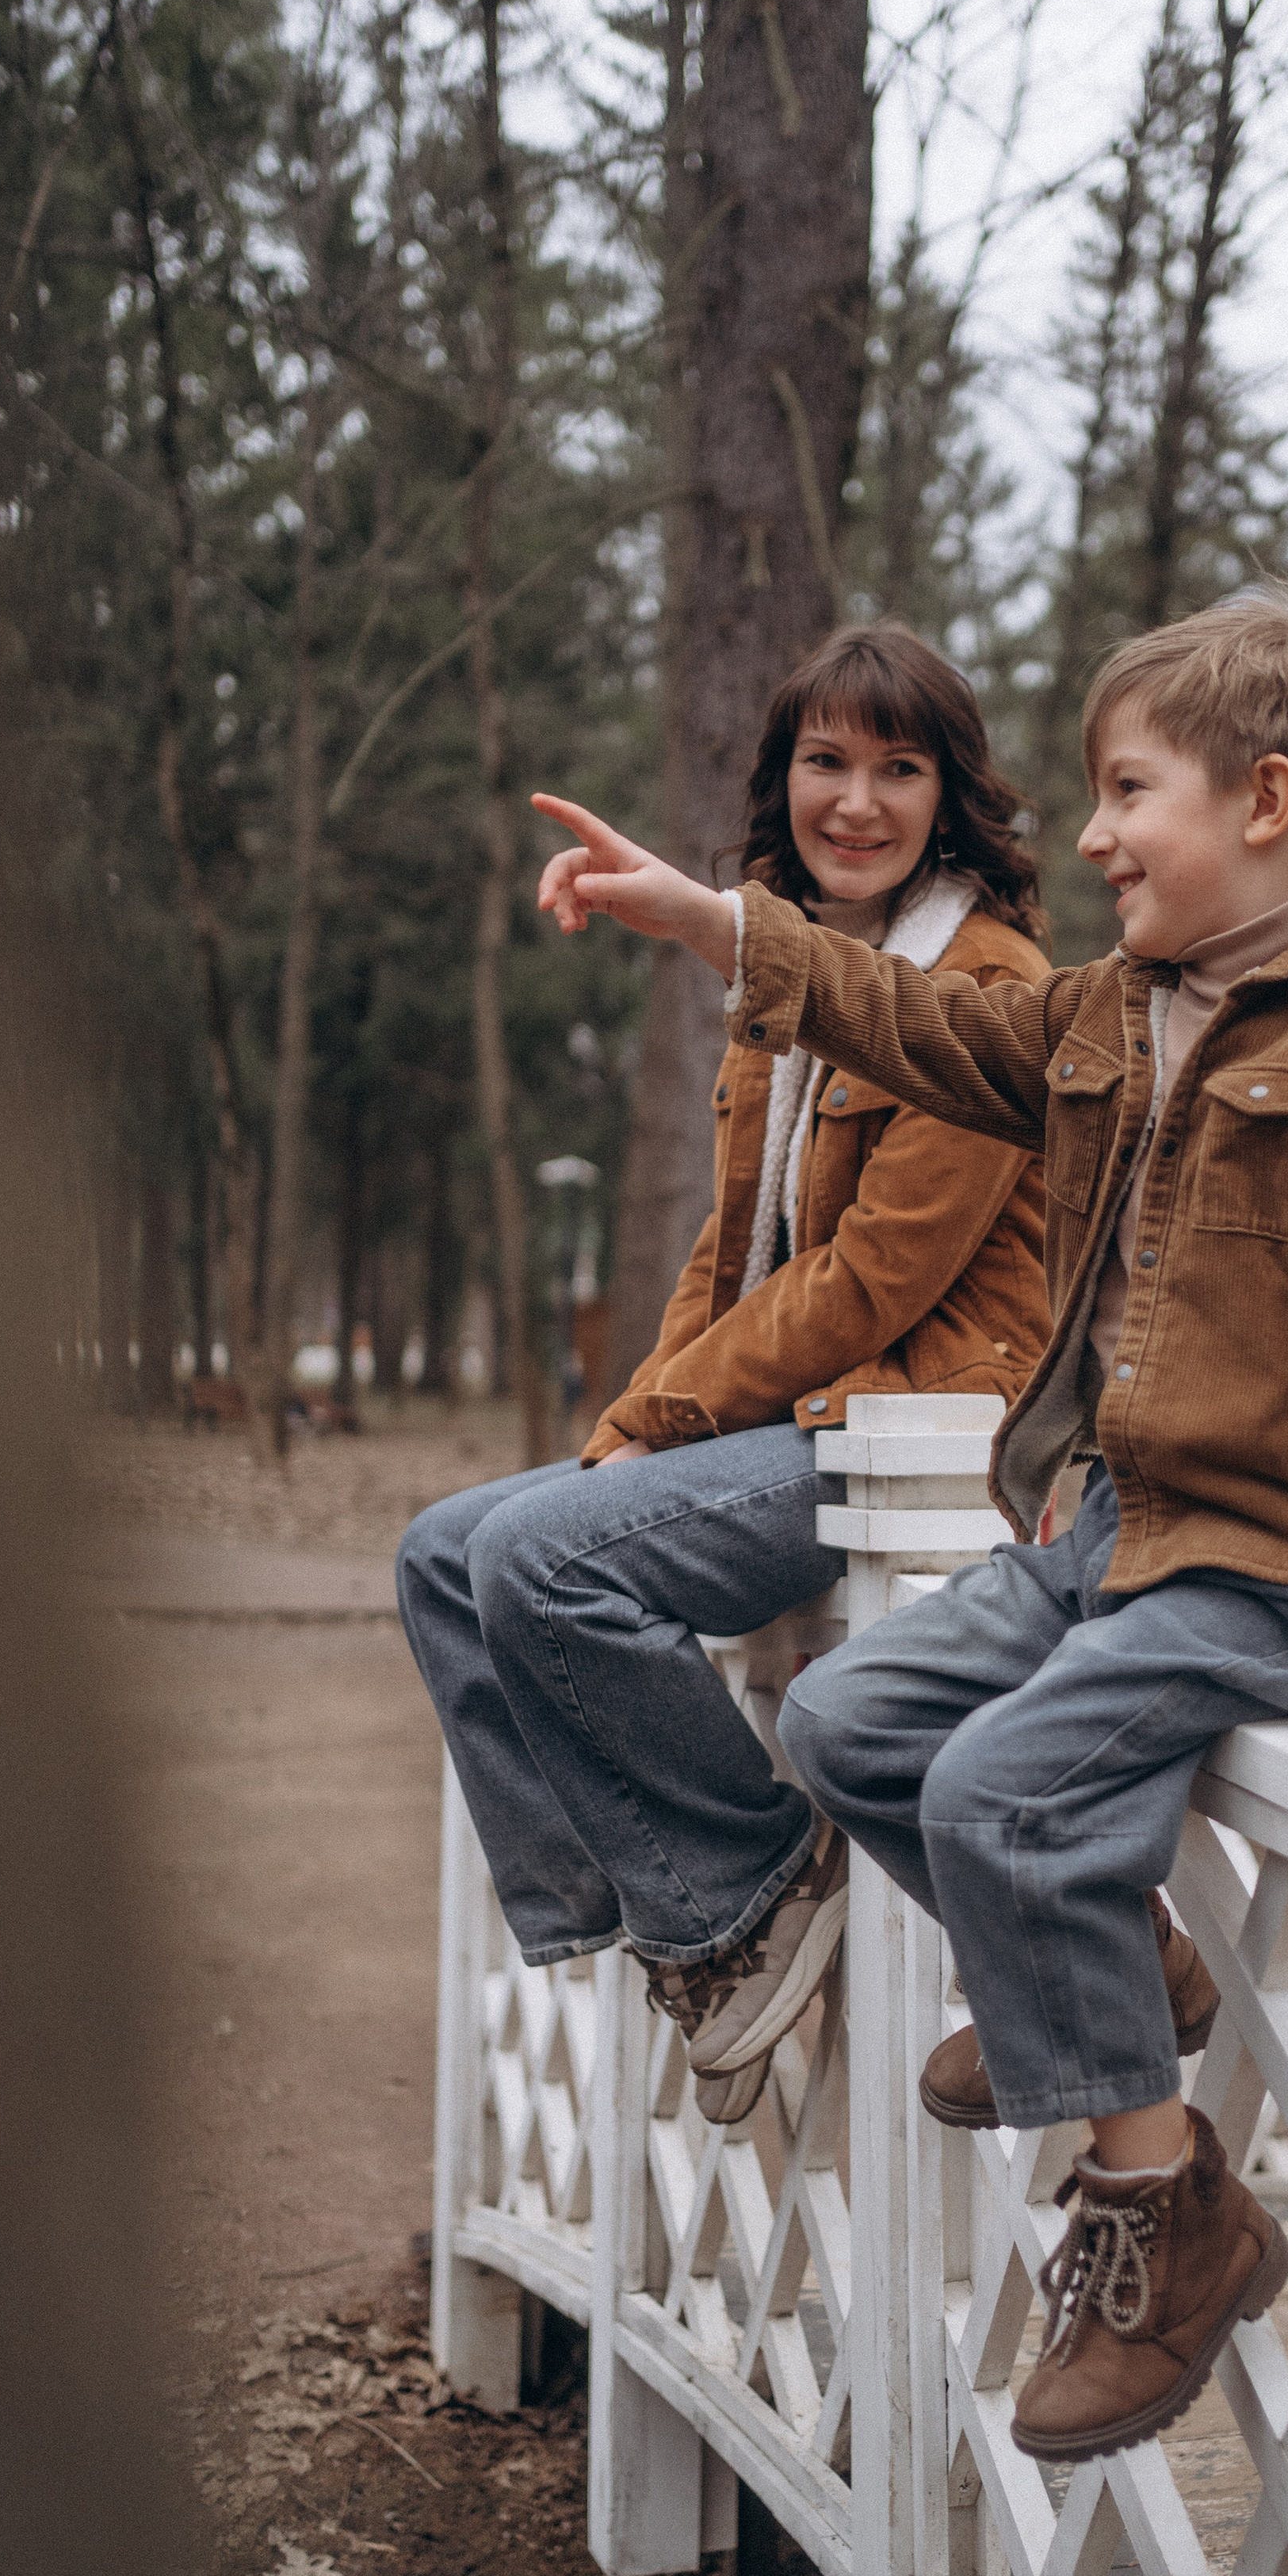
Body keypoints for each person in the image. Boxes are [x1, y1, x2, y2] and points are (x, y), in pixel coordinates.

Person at [532, 585, 1288, 2456]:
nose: (1095, 833)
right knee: (845, 1723)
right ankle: (1106, 1966)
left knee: (995, 1799)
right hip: (1105, 1530)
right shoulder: (1105, 1020)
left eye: (1129, 795)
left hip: (1271, 1560)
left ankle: (1161, 2215)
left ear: (1262, 802)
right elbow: (905, 1019)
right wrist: (712, 920)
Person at [400, 624, 1052, 2126]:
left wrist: (666, 1417)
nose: (860, 801)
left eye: (903, 768)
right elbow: (733, 1248)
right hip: (803, 1412)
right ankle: (636, 1920)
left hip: (917, 1432)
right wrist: (636, 1416)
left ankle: (746, 1893)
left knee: (541, 1564)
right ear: (785, 777)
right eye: (829, 761)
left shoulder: (989, 985)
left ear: (952, 796)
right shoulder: (791, 974)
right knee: (445, 1557)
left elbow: (874, 1277)